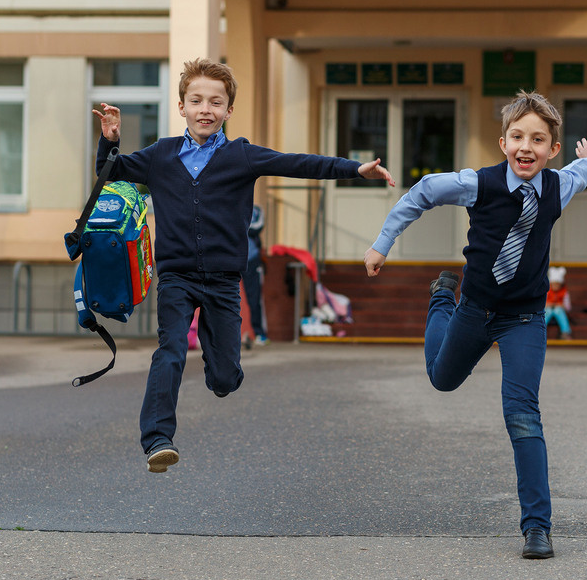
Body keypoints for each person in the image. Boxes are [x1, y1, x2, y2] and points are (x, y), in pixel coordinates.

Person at [92, 58, 394, 473]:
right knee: (171, 349)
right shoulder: (161, 155)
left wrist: (355, 169)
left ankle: (223, 370)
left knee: (224, 378)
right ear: (181, 106)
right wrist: (110, 140)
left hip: (222, 281)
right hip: (177, 277)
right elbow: (111, 172)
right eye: (196, 100)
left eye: (215, 102)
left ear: (228, 111)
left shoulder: (242, 155)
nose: (205, 109)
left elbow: (297, 163)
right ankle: (158, 439)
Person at [363, 90, 587, 560]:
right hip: (474, 308)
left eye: (538, 139)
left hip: (525, 319)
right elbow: (424, 191)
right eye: (517, 137)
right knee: (441, 378)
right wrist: (381, 243)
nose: (526, 147)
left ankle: (537, 527)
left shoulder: (559, 185)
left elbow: (584, 169)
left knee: (522, 415)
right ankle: (440, 298)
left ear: (553, 149)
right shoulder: (480, 183)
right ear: (502, 142)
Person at [242, 204, 269, 346]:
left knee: (254, 298)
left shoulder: (257, 210)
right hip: (230, 258)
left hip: (251, 259)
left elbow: (258, 226)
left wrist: (239, 226)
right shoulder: (231, 201)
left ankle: (260, 333)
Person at [544, 266, 572, 340]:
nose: (556, 286)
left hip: (559, 311)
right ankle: (542, 329)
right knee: (548, 311)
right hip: (548, 310)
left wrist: (562, 306)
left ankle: (565, 332)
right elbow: (542, 304)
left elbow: (568, 307)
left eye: (557, 284)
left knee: (558, 310)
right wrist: (548, 305)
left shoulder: (564, 293)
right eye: (554, 284)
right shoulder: (547, 292)